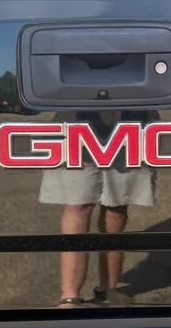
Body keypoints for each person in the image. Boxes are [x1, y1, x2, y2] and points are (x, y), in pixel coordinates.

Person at [38, 110, 157, 307]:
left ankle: (108, 289)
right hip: (75, 124)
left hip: (130, 123)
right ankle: (69, 296)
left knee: (116, 207)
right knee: (78, 205)